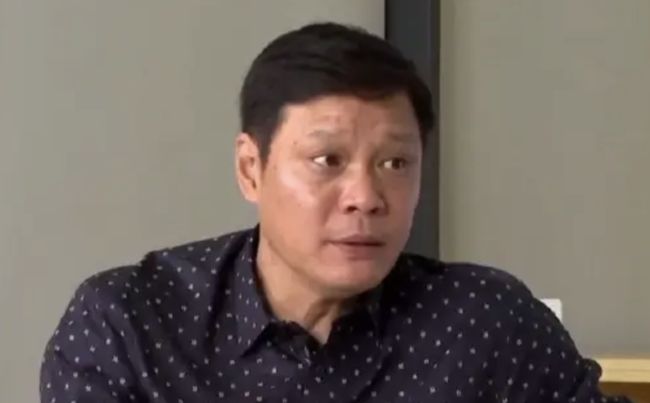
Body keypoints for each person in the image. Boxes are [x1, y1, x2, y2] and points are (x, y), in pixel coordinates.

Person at [40, 22, 631, 402]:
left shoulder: (489, 323)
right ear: (251, 168)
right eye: (327, 160)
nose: (366, 196)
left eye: (395, 163)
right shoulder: (128, 324)